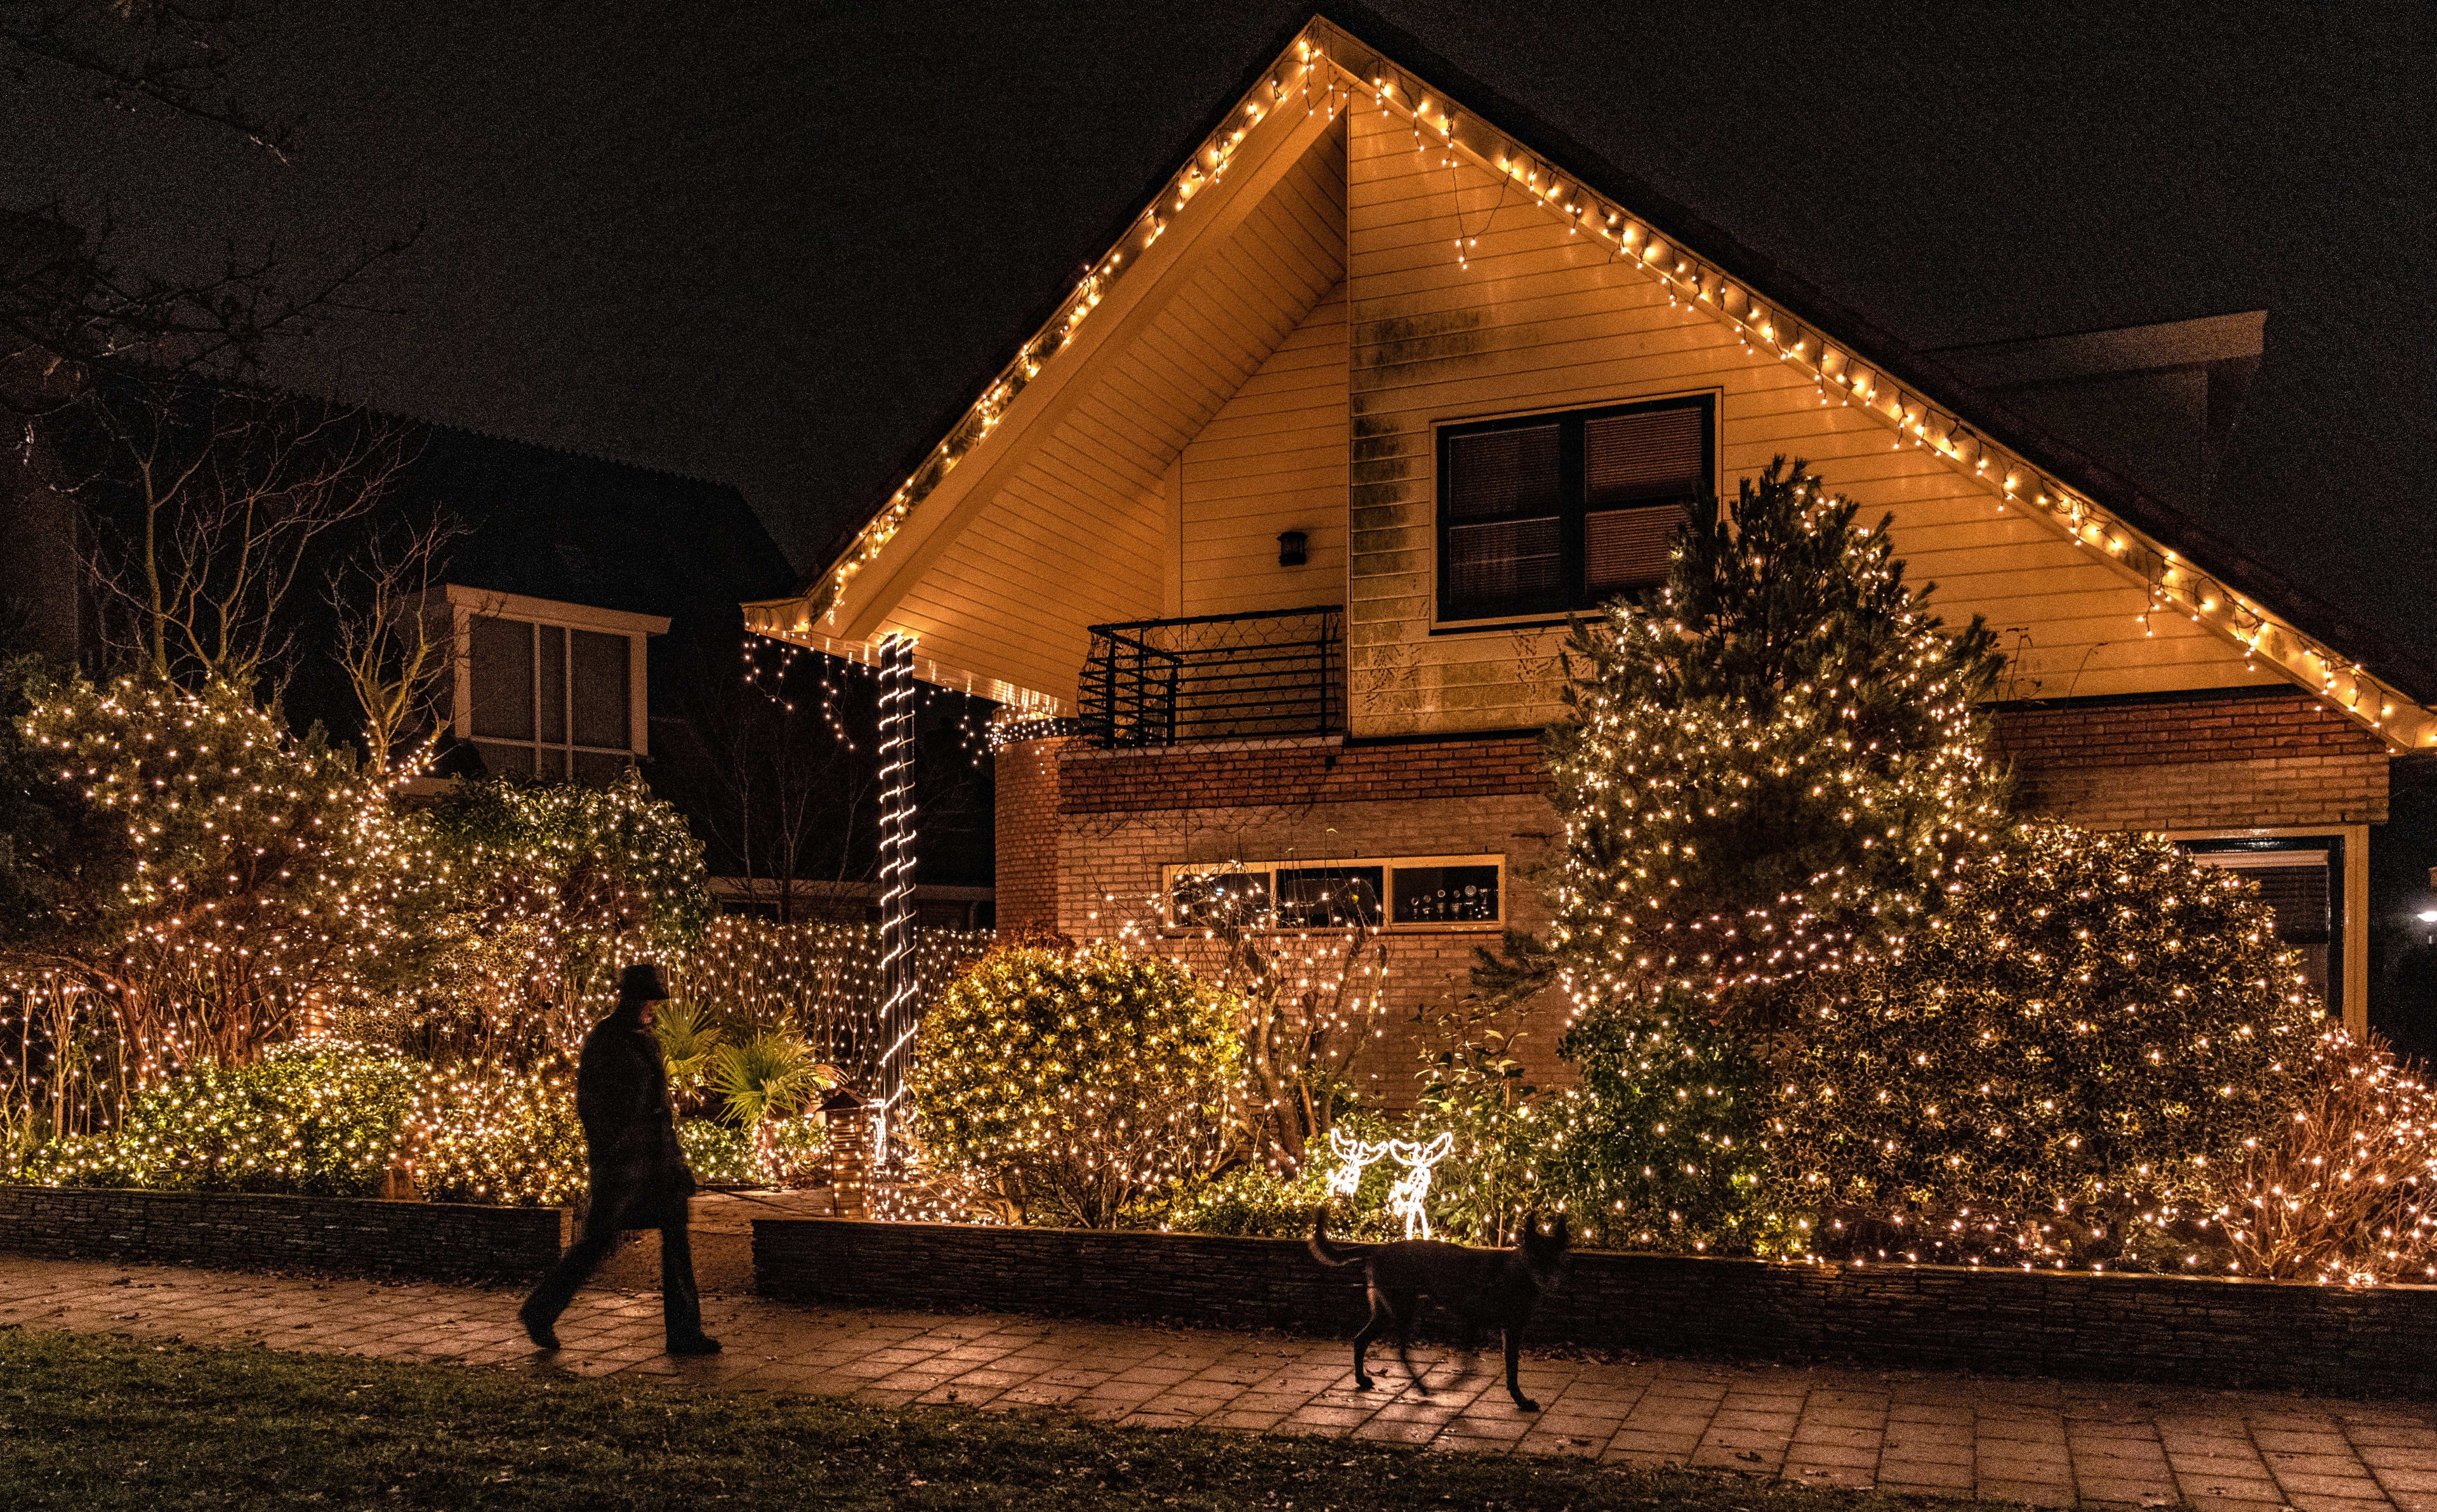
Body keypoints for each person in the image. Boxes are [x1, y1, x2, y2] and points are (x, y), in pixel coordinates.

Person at [519, 961, 721, 1355]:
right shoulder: (607, 1040)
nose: (650, 1009)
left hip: (657, 1164)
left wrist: (674, 1160)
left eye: (652, 1002)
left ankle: (684, 1332)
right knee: (597, 1243)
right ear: (629, 1000)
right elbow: (593, 1106)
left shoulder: (648, 1040)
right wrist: (617, 1156)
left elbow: (659, 1107)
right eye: (645, 1001)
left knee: (676, 1241)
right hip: (622, 1165)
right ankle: (540, 1311)